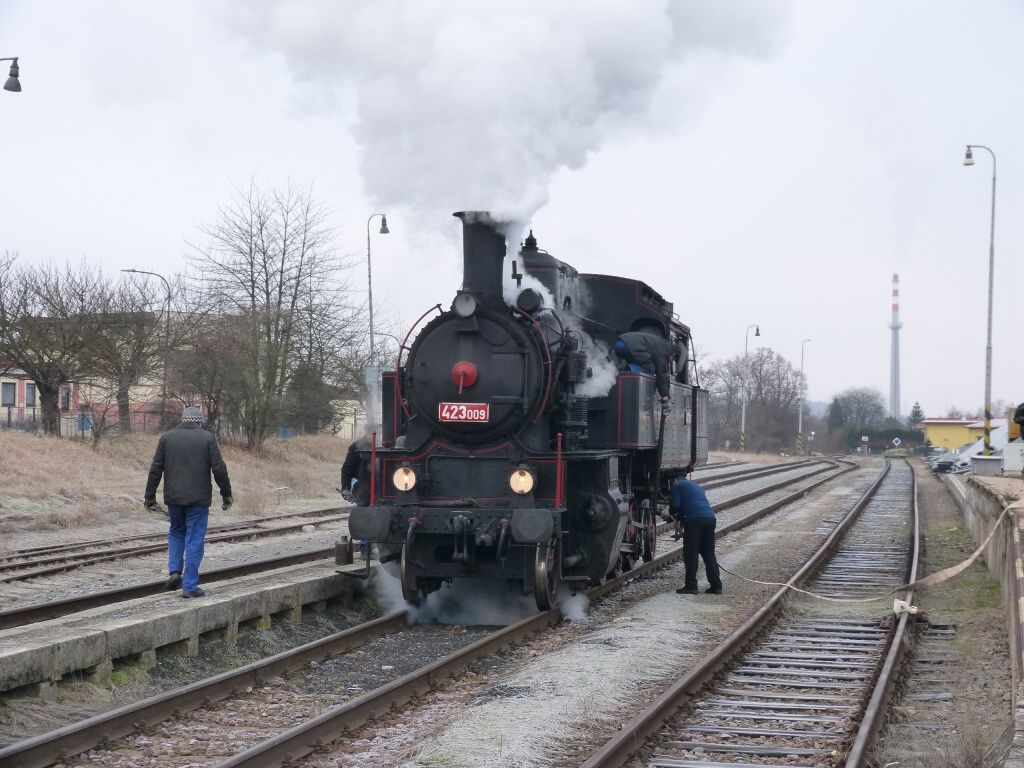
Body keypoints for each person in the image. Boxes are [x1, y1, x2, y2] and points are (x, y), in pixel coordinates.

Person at [144, 405, 233, 598]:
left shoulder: (167, 438)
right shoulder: (207, 438)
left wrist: (149, 496)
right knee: (194, 538)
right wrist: (226, 494)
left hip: (173, 497)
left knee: (176, 531)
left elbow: (155, 469)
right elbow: (219, 469)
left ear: (182, 419)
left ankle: (175, 571)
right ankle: (190, 586)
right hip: (198, 500)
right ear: (200, 420)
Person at [669, 476, 722, 595]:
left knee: (690, 554)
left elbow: (676, 505)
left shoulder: (676, 486)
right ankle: (716, 585)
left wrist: (670, 511)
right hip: (710, 519)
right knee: (709, 554)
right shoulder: (697, 486)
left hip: (694, 521)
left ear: (675, 480)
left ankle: (691, 586)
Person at [614, 331, 680, 406]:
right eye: (673, 360)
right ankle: (645, 398)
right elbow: (661, 375)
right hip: (627, 346)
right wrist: (665, 396)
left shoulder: (662, 345)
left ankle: (623, 367)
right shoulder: (664, 353)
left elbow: (663, 375)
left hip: (620, 342)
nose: (671, 362)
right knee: (650, 369)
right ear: (673, 354)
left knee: (642, 362)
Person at [341, 424, 376, 506]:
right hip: (362, 484)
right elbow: (347, 468)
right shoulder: (356, 447)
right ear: (368, 433)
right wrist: (346, 488)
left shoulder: (381, 445)